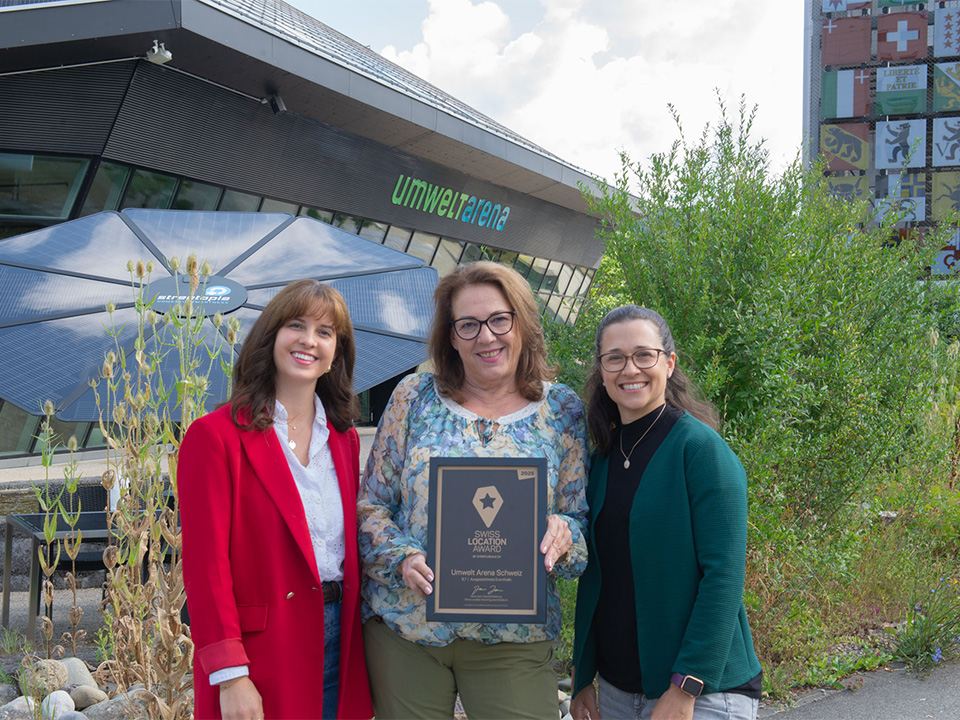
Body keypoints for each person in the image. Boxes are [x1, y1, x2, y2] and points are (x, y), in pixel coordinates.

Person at [357, 261, 589, 720]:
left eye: (499, 319)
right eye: (468, 325)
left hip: (514, 638)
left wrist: (563, 534)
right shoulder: (413, 396)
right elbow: (371, 508)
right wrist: (402, 557)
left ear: (522, 323)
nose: (486, 337)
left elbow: (579, 523)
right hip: (408, 632)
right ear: (450, 335)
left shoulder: (562, 409)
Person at [179, 279, 373, 720]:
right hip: (261, 651)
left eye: (325, 332)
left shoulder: (343, 441)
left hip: (341, 640)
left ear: (336, 355)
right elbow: (206, 567)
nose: (309, 340)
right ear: (271, 338)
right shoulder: (215, 437)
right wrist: (230, 674)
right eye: (296, 325)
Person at [571, 305, 762, 720]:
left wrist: (686, 685)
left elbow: (724, 577)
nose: (630, 369)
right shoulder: (601, 459)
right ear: (601, 371)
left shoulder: (701, 451)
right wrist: (583, 676)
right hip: (619, 691)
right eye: (615, 358)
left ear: (669, 363)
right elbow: (600, 577)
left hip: (701, 692)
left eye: (644, 355)